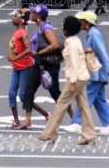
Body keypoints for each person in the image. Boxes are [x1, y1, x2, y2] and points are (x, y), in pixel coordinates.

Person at [38, 16, 97, 145]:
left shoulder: (71, 44)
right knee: (83, 106)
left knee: (61, 104)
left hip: (76, 78)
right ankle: (89, 135)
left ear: (67, 30)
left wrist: (73, 82)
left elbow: (75, 63)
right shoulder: (75, 41)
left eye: (64, 26)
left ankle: (49, 133)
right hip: (82, 76)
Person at [64, 11, 109, 134]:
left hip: (96, 73)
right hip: (96, 72)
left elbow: (102, 52)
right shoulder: (92, 34)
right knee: (99, 99)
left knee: (86, 98)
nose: (79, 23)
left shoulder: (94, 35)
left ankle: (77, 123)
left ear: (86, 23)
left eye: (81, 20)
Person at [20, 4, 71, 129]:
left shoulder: (46, 27)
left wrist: (38, 53)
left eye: (33, 13)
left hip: (49, 65)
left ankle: (74, 117)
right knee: (29, 90)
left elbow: (54, 45)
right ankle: (27, 121)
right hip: (39, 64)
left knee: (55, 93)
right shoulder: (39, 27)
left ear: (39, 16)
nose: (31, 14)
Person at [6, 9, 35, 129]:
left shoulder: (22, 33)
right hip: (17, 68)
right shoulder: (18, 32)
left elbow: (28, 48)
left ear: (21, 20)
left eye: (15, 16)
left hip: (26, 67)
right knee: (11, 94)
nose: (13, 18)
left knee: (23, 96)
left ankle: (35, 117)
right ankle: (16, 121)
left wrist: (16, 57)